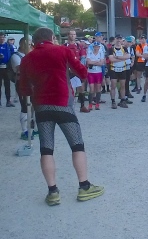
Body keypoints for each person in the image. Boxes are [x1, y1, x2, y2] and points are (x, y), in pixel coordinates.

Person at [18, 27, 104, 206]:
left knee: (46, 149)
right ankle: (84, 186)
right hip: (63, 103)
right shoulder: (62, 51)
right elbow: (82, 72)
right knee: (77, 145)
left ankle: (52, 192)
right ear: (52, 37)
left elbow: (24, 89)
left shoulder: (27, 58)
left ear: (34, 41)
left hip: (41, 106)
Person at [10, 37, 30, 138]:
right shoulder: (15, 56)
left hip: (31, 82)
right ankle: (24, 130)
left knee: (33, 106)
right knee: (25, 106)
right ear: (22, 44)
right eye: (27, 44)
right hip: (21, 82)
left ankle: (33, 128)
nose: (29, 46)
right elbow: (21, 69)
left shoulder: (29, 55)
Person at [107, 35, 131, 109]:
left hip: (122, 69)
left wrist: (117, 57)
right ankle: (113, 101)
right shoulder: (111, 49)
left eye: (120, 39)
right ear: (115, 39)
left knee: (122, 86)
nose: (118, 40)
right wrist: (122, 58)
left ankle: (122, 100)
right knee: (113, 86)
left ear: (121, 40)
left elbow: (128, 57)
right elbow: (111, 59)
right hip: (113, 69)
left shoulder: (124, 48)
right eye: (117, 39)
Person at [85, 42, 104, 110]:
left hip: (98, 72)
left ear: (99, 47)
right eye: (95, 47)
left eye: (97, 47)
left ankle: (97, 104)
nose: (96, 48)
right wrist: (97, 62)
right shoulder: (89, 53)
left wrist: (93, 62)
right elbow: (88, 62)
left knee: (98, 88)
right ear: (93, 47)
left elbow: (101, 63)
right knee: (91, 88)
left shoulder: (101, 53)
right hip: (91, 73)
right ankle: (90, 104)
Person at [0, 31, 15, 107]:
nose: (2, 39)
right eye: (0, 37)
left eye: (3, 37)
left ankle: (8, 101)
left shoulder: (9, 46)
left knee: (7, 85)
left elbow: (13, 56)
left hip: (7, 68)